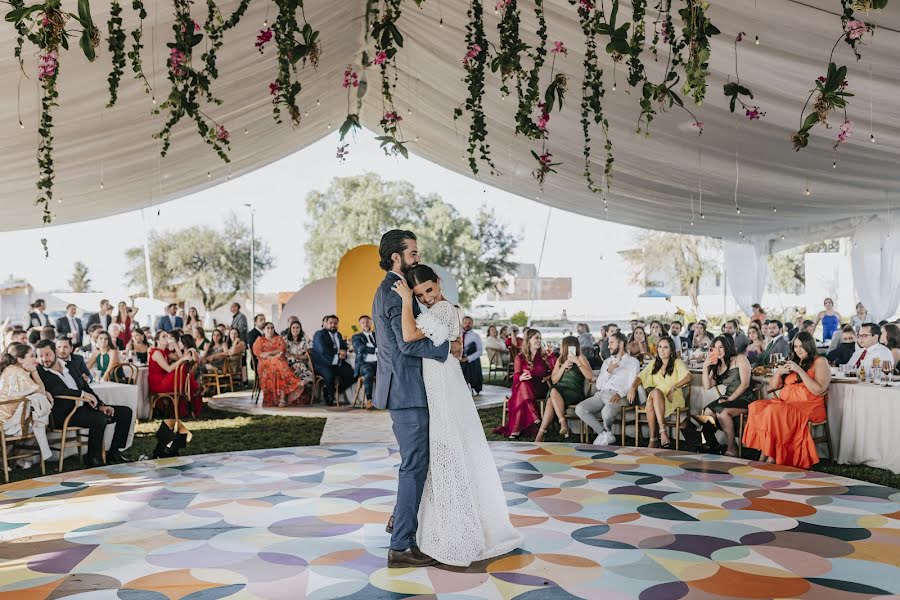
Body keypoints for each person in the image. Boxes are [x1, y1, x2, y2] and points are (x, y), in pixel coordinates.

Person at [392, 262, 522, 567]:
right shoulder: (434, 310)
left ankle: (460, 527)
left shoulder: (444, 310)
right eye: (420, 295)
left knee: (448, 445)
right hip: (438, 378)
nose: (426, 298)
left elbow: (409, 335)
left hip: (443, 380)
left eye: (428, 290)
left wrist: (405, 301)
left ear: (438, 282)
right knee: (443, 448)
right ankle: (445, 521)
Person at [371, 231, 455, 569]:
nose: (417, 258)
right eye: (413, 253)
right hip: (407, 392)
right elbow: (406, 344)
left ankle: (399, 522)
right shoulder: (393, 291)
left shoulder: (397, 288)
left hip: (409, 391)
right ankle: (401, 545)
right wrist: (444, 347)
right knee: (414, 467)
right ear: (396, 257)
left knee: (417, 465)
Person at [36, 340, 132, 465]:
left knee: (125, 412)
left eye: (47, 354)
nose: (44, 359)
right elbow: (56, 390)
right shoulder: (40, 372)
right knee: (99, 419)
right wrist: (81, 395)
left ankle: (114, 452)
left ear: (55, 352)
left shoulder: (69, 366)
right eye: (40, 356)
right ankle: (93, 458)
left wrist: (101, 405)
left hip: (83, 409)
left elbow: (85, 387)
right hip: (64, 414)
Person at [743, 332, 830, 468]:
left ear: (810, 346)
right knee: (756, 406)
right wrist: (778, 373)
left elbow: (819, 389)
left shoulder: (820, 361)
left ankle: (770, 457)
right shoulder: (793, 361)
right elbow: (772, 387)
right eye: (795, 347)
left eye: (802, 346)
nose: (798, 350)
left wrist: (799, 370)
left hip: (808, 407)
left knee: (774, 411)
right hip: (786, 404)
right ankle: (767, 454)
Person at [575, 332, 639, 445]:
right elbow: (599, 385)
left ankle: (605, 437)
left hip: (619, 395)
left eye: (611, 343)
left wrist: (620, 394)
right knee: (580, 408)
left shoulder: (633, 362)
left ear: (621, 343)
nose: (608, 346)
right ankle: (605, 434)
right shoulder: (607, 362)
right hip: (601, 394)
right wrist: (608, 371)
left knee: (606, 411)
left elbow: (631, 383)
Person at [627, 337, 691, 449]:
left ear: (671, 350)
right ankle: (661, 432)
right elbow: (640, 377)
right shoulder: (653, 363)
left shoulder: (677, 362)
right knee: (654, 395)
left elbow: (689, 377)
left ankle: (654, 439)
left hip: (673, 398)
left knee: (653, 397)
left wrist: (673, 387)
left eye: (666, 347)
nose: (662, 350)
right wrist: (632, 388)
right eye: (660, 347)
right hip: (657, 399)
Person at [493, 329, 554, 440]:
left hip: (540, 387)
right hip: (525, 388)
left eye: (540, 338)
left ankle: (516, 428)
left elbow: (554, 372)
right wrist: (521, 377)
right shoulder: (520, 357)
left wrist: (548, 371)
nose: (539, 341)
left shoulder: (545, 356)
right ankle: (532, 415)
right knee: (523, 384)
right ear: (529, 340)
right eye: (536, 338)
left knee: (520, 392)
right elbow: (516, 376)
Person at [699, 335, 754, 456]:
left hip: (745, 398)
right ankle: (711, 445)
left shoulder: (740, 358)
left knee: (722, 412)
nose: (718, 351)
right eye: (714, 348)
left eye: (721, 347)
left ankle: (732, 447)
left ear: (727, 348)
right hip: (728, 398)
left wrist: (729, 399)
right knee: (707, 411)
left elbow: (745, 384)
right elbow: (707, 386)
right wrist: (705, 366)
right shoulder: (717, 366)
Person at [0, 343, 53, 464]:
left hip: (4, 418)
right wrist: (34, 371)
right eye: (32, 356)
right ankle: (14, 458)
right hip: (8, 422)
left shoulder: (9, 369)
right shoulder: (18, 372)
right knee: (42, 423)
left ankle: (9, 458)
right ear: (20, 359)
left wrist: (45, 393)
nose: (35, 359)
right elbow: (41, 391)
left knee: (37, 415)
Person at [534, 336, 593, 442]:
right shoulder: (560, 359)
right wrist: (563, 367)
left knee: (552, 394)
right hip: (559, 390)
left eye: (562, 344)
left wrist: (577, 362)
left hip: (574, 391)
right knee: (553, 393)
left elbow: (589, 376)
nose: (560, 346)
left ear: (567, 346)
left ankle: (542, 432)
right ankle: (561, 423)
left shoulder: (581, 357)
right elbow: (554, 380)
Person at [148, 330, 201, 417]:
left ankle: (188, 394)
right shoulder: (156, 352)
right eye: (164, 337)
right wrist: (182, 359)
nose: (167, 338)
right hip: (157, 382)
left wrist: (176, 346)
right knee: (181, 373)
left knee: (182, 372)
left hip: (164, 379)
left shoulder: (166, 352)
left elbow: (182, 358)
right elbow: (169, 369)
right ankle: (190, 393)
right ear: (157, 341)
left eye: (167, 336)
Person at [252, 322, 305, 407]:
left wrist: (269, 354)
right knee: (277, 361)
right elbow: (259, 354)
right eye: (268, 328)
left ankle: (282, 399)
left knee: (278, 367)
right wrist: (274, 354)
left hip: (278, 365)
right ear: (263, 330)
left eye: (272, 328)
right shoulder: (259, 340)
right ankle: (293, 384)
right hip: (264, 364)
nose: (270, 330)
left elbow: (282, 350)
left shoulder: (279, 339)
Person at [312, 315, 355, 406]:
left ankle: (333, 391)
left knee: (353, 374)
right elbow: (322, 349)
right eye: (330, 323)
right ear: (325, 324)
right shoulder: (319, 334)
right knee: (330, 376)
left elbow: (344, 347)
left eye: (335, 323)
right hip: (323, 364)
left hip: (337, 363)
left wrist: (344, 353)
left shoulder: (338, 334)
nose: (333, 325)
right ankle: (330, 398)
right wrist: (338, 352)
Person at [351, 316, 378, 408]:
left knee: (390, 371)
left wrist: (368, 347)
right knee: (368, 372)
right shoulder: (356, 337)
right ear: (360, 325)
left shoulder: (377, 335)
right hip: (364, 364)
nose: (366, 324)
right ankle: (369, 400)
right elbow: (360, 348)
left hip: (379, 363)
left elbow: (384, 346)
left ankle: (387, 400)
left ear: (371, 323)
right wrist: (375, 349)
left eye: (367, 322)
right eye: (363, 322)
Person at [284, 321, 314, 404]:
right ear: (290, 329)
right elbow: (285, 355)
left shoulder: (305, 339)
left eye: (297, 327)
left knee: (302, 367)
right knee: (299, 367)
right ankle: (299, 385)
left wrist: (296, 356)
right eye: (293, 327)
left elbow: (308, 354)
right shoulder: (285, 339)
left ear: (300, 329)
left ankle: (299, 389)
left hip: (303, 363)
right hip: (289, 364)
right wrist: (299, 357)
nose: (295, 329)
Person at [460, 316, 484, 396]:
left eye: (469, 323)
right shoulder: (457, 334)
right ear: (462, 323)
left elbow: (480, 351)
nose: (467, 325)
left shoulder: (475, 336)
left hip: (471, 361)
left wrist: (467, 358)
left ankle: (473, 387)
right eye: (465, 323)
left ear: (472, 324)